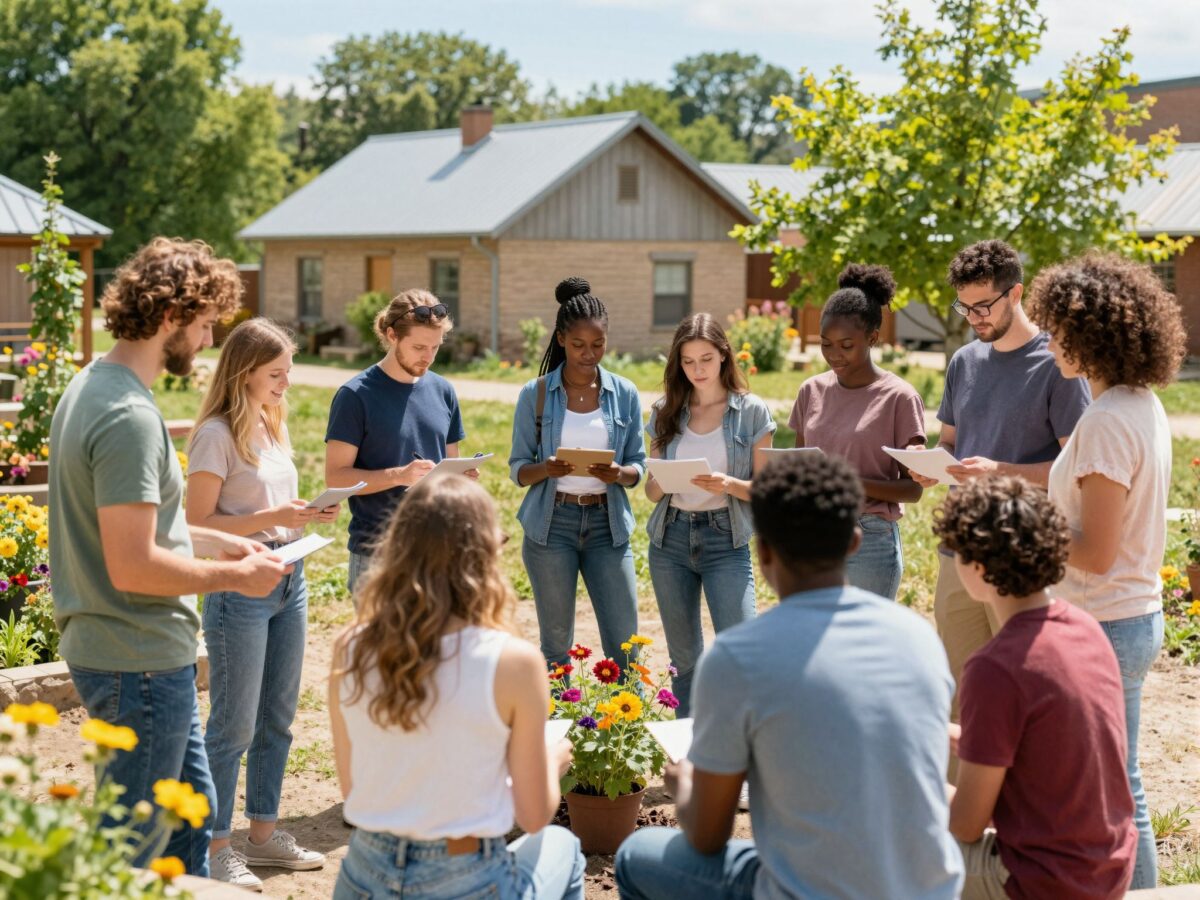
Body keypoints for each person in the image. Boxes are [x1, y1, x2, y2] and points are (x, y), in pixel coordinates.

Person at [615, 453, 963, 900]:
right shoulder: (918, 639)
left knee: (635, 856)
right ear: (854, 541)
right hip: (928, 890)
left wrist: (683, 788)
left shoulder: (739, 656)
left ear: (762, 551)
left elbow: (706, 836)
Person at [49, 238, 288, 875]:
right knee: (133, 847)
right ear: (170, 316)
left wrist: (222, 540)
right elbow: (134, 566)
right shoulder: (127, 414)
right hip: (137, 660)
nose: (209, 341)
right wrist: (237, 574)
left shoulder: (90, 386)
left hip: (140, 656)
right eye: (207, 324)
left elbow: (139, 529)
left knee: (189, 824)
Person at [328, 472, 586, 900]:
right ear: (484, 555)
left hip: (363, 872)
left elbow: (353, 788)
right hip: (465, 876)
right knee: (563, 847)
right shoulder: (514, 661)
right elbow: (535, 815)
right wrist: (551, 760)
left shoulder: (349, 646)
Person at [1029, 252, 1186, 889]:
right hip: (1132, 614)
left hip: (1102, 622)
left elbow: (1093, 549)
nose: (1047, 340)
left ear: (1091, 334)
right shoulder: (1140, 405)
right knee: (1125, 785)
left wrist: (1018, 529)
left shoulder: (1102, 423)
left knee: (1115, 795)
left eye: (1057, 329)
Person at [909, 239, 1090, 760]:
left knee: (1022, 689)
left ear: (1017, 293)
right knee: (961, 695)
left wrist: (1001, 472)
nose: (973, 318)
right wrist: (929, 464)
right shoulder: (964, 361)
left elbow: (1073, 469)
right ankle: (965, 823)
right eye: (963, 307)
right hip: (958, 556)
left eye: (983, 306)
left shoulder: (1058, 364)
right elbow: (949, 440)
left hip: (1020, 558)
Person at [933, 474, 1136, 899]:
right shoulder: (1085, 628)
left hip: (1044, 881)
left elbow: (968, 823)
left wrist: (909, 781)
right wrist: (963, 741)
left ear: (978, 566)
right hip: (1108, 866)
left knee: (889, 826)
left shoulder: (995, 667)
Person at [186, 318, 335, 887]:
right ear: (244, 372)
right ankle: (215, 846)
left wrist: (305, 515)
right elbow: (198, 523)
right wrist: (274, 518)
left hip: (289, 578)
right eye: (276, 374)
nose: (286, 384)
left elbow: (271, 505)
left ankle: (264, 837)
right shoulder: (215, 435)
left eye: (288, 372)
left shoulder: (271, 425)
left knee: (278, 717)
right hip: (238, 590)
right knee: (232, 725)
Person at [508, 277, 646, 667]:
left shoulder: (625, 393)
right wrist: (546, 468)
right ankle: (555, 722)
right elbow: (518, 470)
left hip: (608, 526)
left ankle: (628, 724)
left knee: (626, 641)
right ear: (561, 340)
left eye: (598, 344)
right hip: (552, 526)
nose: (589, 354)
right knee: (555, 642)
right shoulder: (534, 395)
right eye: (579, 345)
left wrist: (620, 473)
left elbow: (640, 464)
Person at [645, 313, 774, 715]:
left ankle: (742, 757)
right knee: (685, 661)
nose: (697, 369)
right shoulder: (666, 410)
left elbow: (766, 490)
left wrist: (728, 484)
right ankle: (692, 760)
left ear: (723, 356)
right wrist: (666, 479)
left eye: (705, 358)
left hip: (725, 538)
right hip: (670, 540)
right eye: (687, 361)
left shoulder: (751, 412)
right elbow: (651, 491)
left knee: (740, 653)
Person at [788, 263, 925, 600]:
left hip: (871, 538)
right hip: (814, 532)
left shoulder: (899, 397)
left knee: (866, 647)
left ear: (873, 338)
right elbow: (799, 463)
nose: (834, 355)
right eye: (826, 344)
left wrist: (847, 483)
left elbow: (913, 489)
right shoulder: (810, 391)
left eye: (846, 345)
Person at [325, 289, 468, 597]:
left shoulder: (443, 390)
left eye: (435, 347)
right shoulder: (355, 396)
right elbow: (335, 476)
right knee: (384, 648)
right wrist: (400, 475)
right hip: (378, 554)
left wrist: (461, 477)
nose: (428, 357)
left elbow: (450, 462)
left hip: (437, 547)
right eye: (418, 347)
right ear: (391, 335)